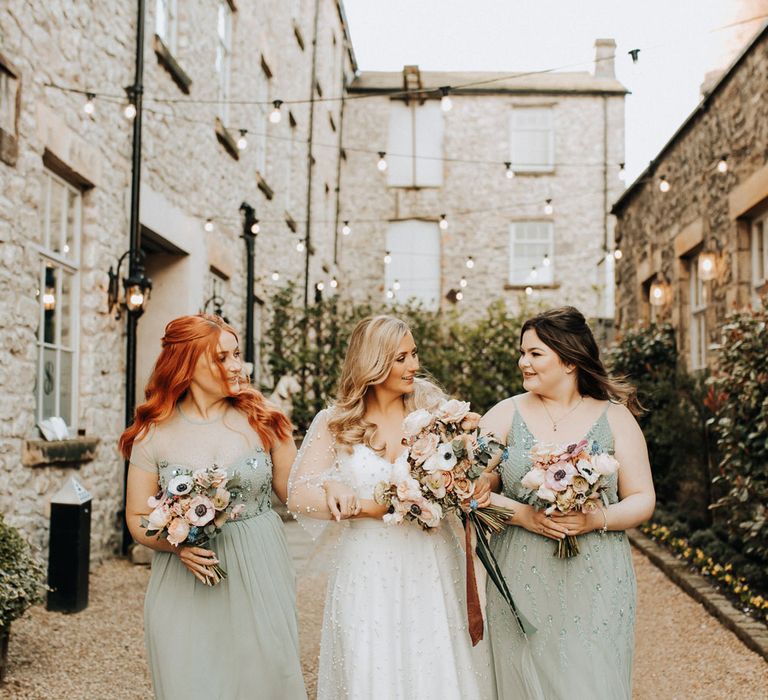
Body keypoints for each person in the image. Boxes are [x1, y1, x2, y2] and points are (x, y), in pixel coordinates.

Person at [287, 315, 496, 700]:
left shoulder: (434, 414)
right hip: (367, 568)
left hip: (429, 562)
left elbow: (466, 475)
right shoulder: (335, 422)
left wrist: (469, 484)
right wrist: (334, 486)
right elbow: (298, 493)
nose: (414, 366)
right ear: (372, 361)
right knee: (371, 664)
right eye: (401, 358)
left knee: (433, 663)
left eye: (414, 354)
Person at [121, 314, 306, 700]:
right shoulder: (153, 432)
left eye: (236, 354)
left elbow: (298, 493)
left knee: (266, 679)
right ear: (187, 363)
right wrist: (177, 544)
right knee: (191, 680)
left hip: (260, 573)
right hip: (184, 582)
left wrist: (371, 494)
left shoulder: (265, 419)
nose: (237, 365)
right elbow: (137, 517)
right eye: (222, 358)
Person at [481, 306, 655, 700]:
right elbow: (464, 488)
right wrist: (522, 514)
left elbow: (643, 498)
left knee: (588, 676)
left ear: (570, 359)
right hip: (519, 569)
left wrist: (595, 519)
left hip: (596, 574)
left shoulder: (615, 418)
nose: (523, 362)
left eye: (535, 353)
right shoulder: (504, 415)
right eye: (522, 352)